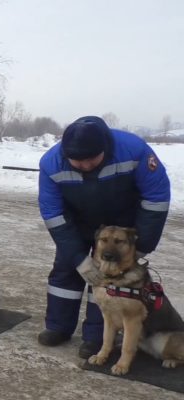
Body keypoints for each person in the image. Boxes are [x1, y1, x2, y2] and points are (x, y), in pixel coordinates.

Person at [37, 116, 170, 359]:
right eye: (77, 161)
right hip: (76, 222)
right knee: (66, 271)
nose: (85, 165)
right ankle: (58, 327)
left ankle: (96, 337)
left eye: (91, 159)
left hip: (122, 221)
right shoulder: (51, 164)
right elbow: (53, 214)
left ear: (105, 149)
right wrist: (79, 258)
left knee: (112, 280)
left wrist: (140, 248)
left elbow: (156, 201)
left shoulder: (134, 150)